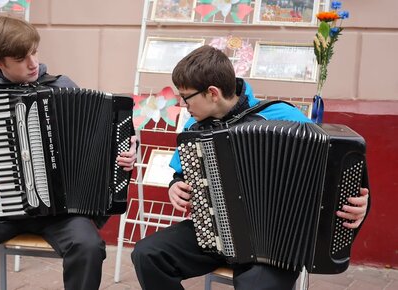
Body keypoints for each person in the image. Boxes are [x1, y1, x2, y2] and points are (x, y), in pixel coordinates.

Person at [131, 45, 370, 290]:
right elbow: (180, 174)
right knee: (147, 255)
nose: (184, 105)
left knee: (255, 285)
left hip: (276, 245)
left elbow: (333, 167)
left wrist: (357, 205)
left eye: (186, 97)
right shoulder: (194, 127)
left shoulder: (284, 116)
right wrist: (175, 186)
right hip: (214, 233)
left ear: (212, 93)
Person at [0, 16, 137, 290]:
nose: (33, 63)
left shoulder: (61, 86)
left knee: (89, 246)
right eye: (21, 58)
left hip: (62, 212)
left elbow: (102, 138)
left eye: (34, 52)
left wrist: (123, 155)